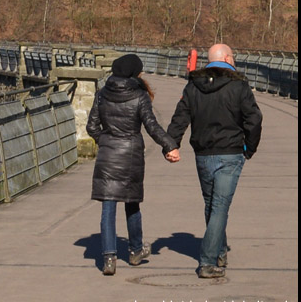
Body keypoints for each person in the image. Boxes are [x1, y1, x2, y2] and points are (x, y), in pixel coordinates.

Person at [167, 44, 263, 278]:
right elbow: (254, 118)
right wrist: (249, 148)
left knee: (212, 204)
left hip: (203, 153)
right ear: (228, 58)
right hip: (230, 152)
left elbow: (181, 116)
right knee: (219, 206)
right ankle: (208, 261)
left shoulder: (193, 86)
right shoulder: (239, 85)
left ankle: (219, 250)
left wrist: (172, 144)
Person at [86, 54, 180, 276]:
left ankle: (109, 259)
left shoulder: (101, 95)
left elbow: (92, 127)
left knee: (108, 208)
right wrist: (170, 146)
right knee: (132, 205)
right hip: (131, 156)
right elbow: (152, 126)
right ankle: (136, 250)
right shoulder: (139, 96)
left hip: (108, 155)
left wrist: (106, 141)